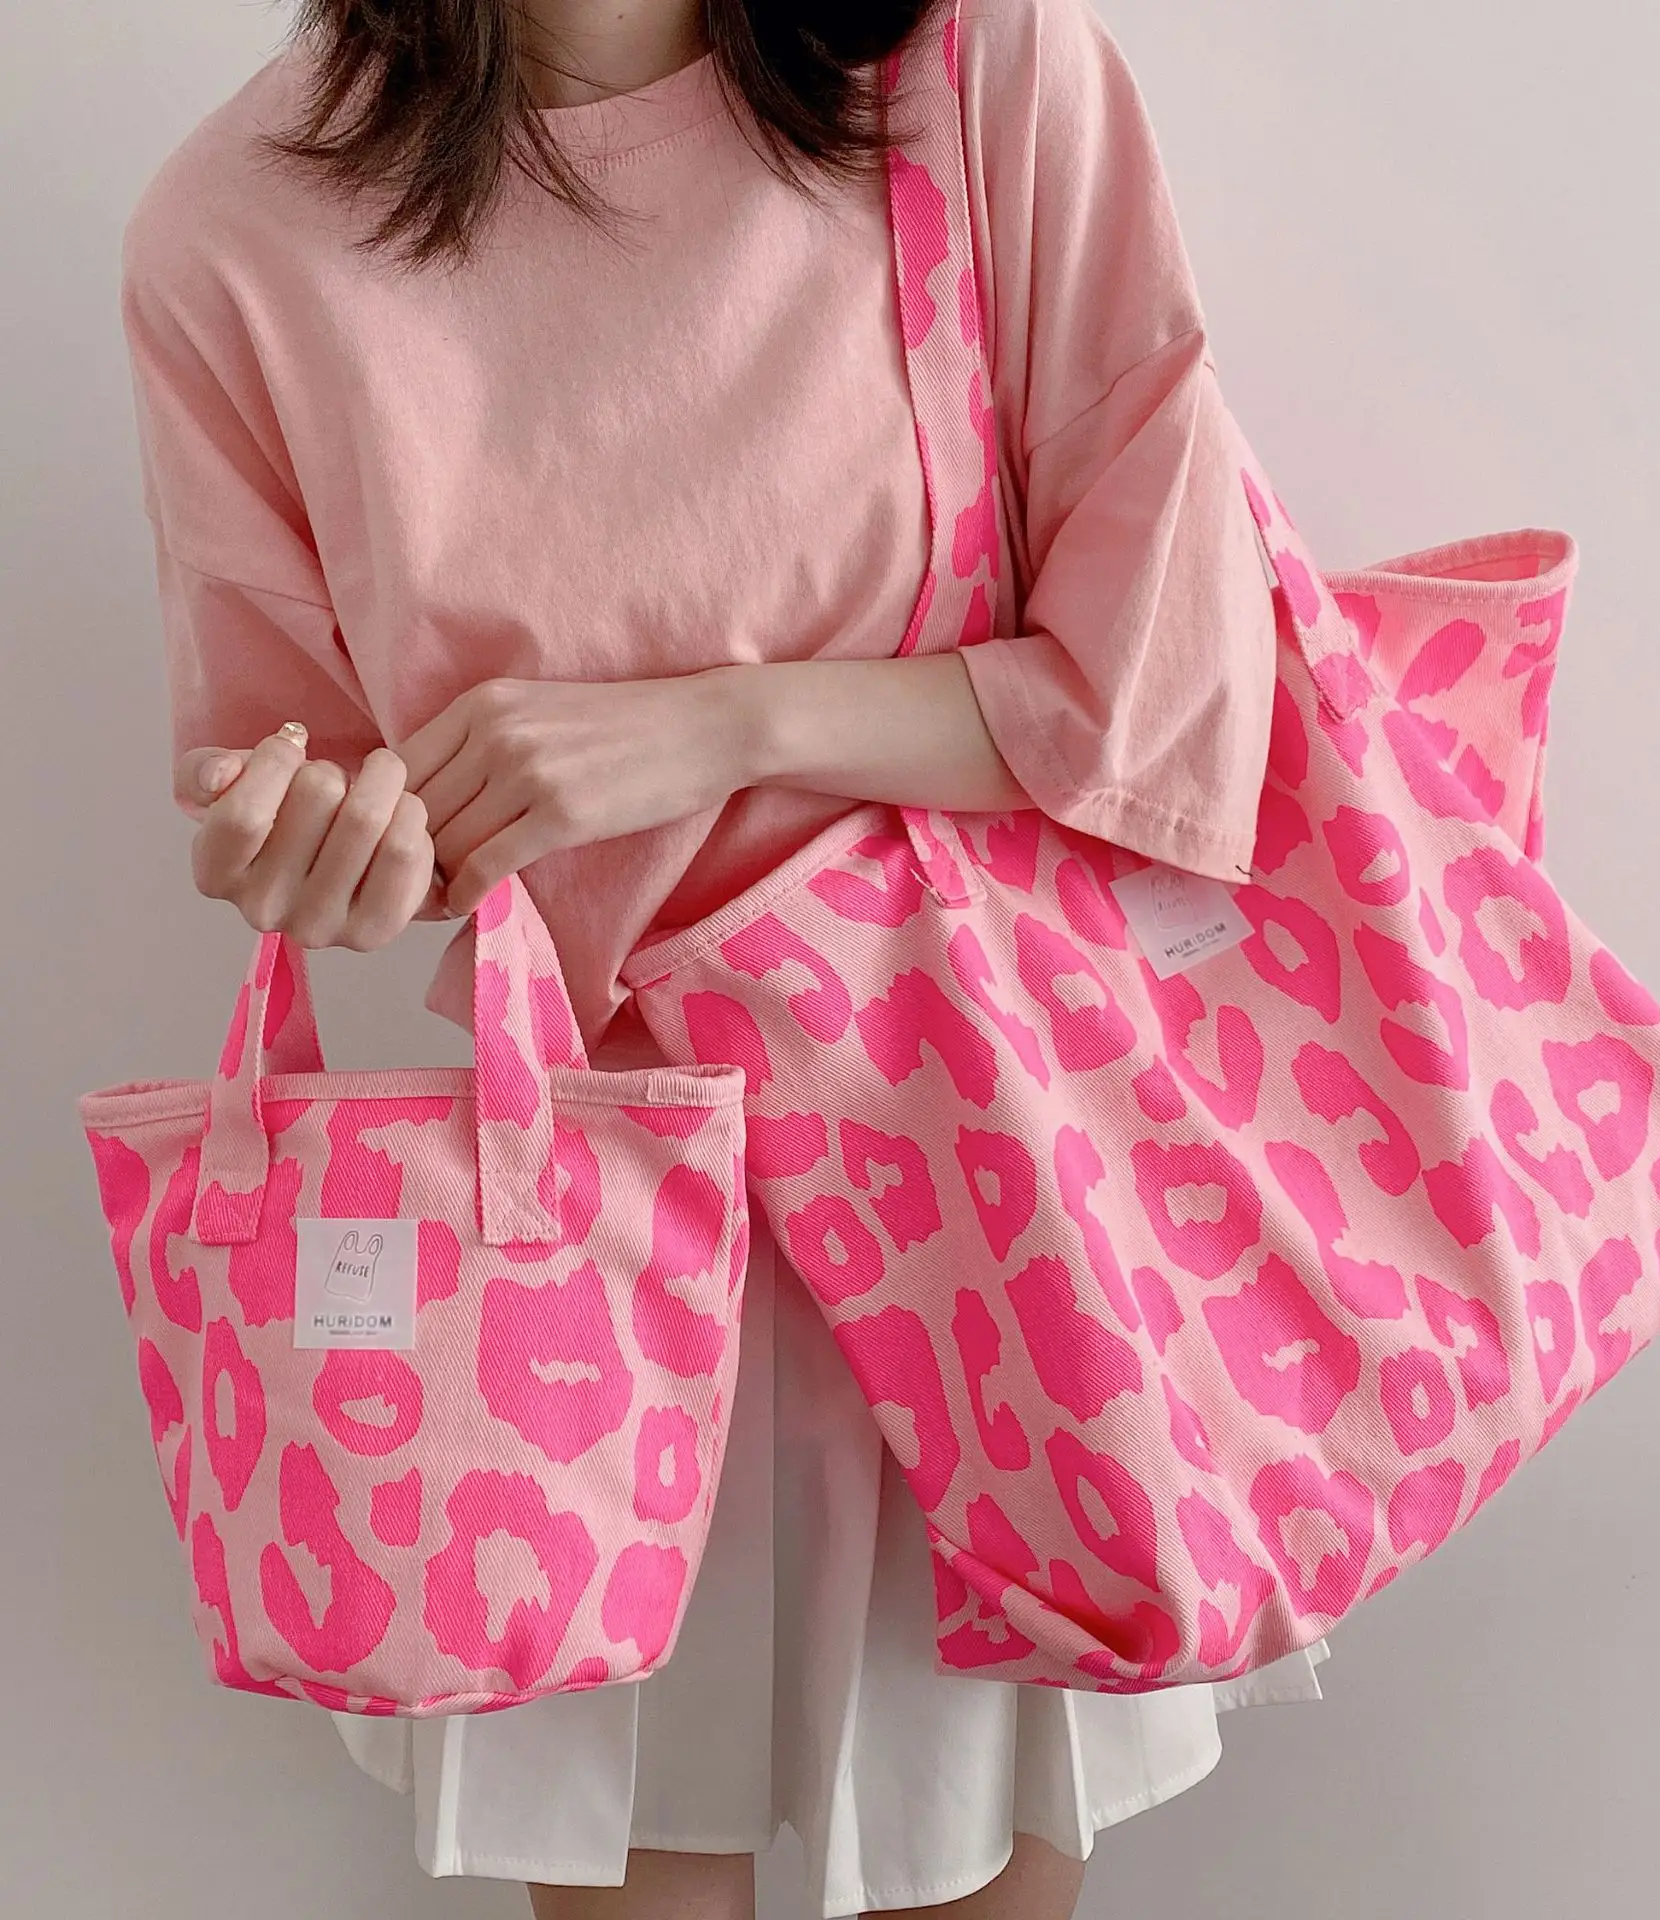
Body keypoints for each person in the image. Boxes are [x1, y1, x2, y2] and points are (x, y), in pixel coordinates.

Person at [120, 0, 1332, 1913]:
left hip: (985, 1191)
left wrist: (717, 727)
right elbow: (348, 802)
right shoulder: (239, 231)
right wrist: (315, 857)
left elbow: (1174, 688)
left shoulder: (975, 70)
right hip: (585, 1249)